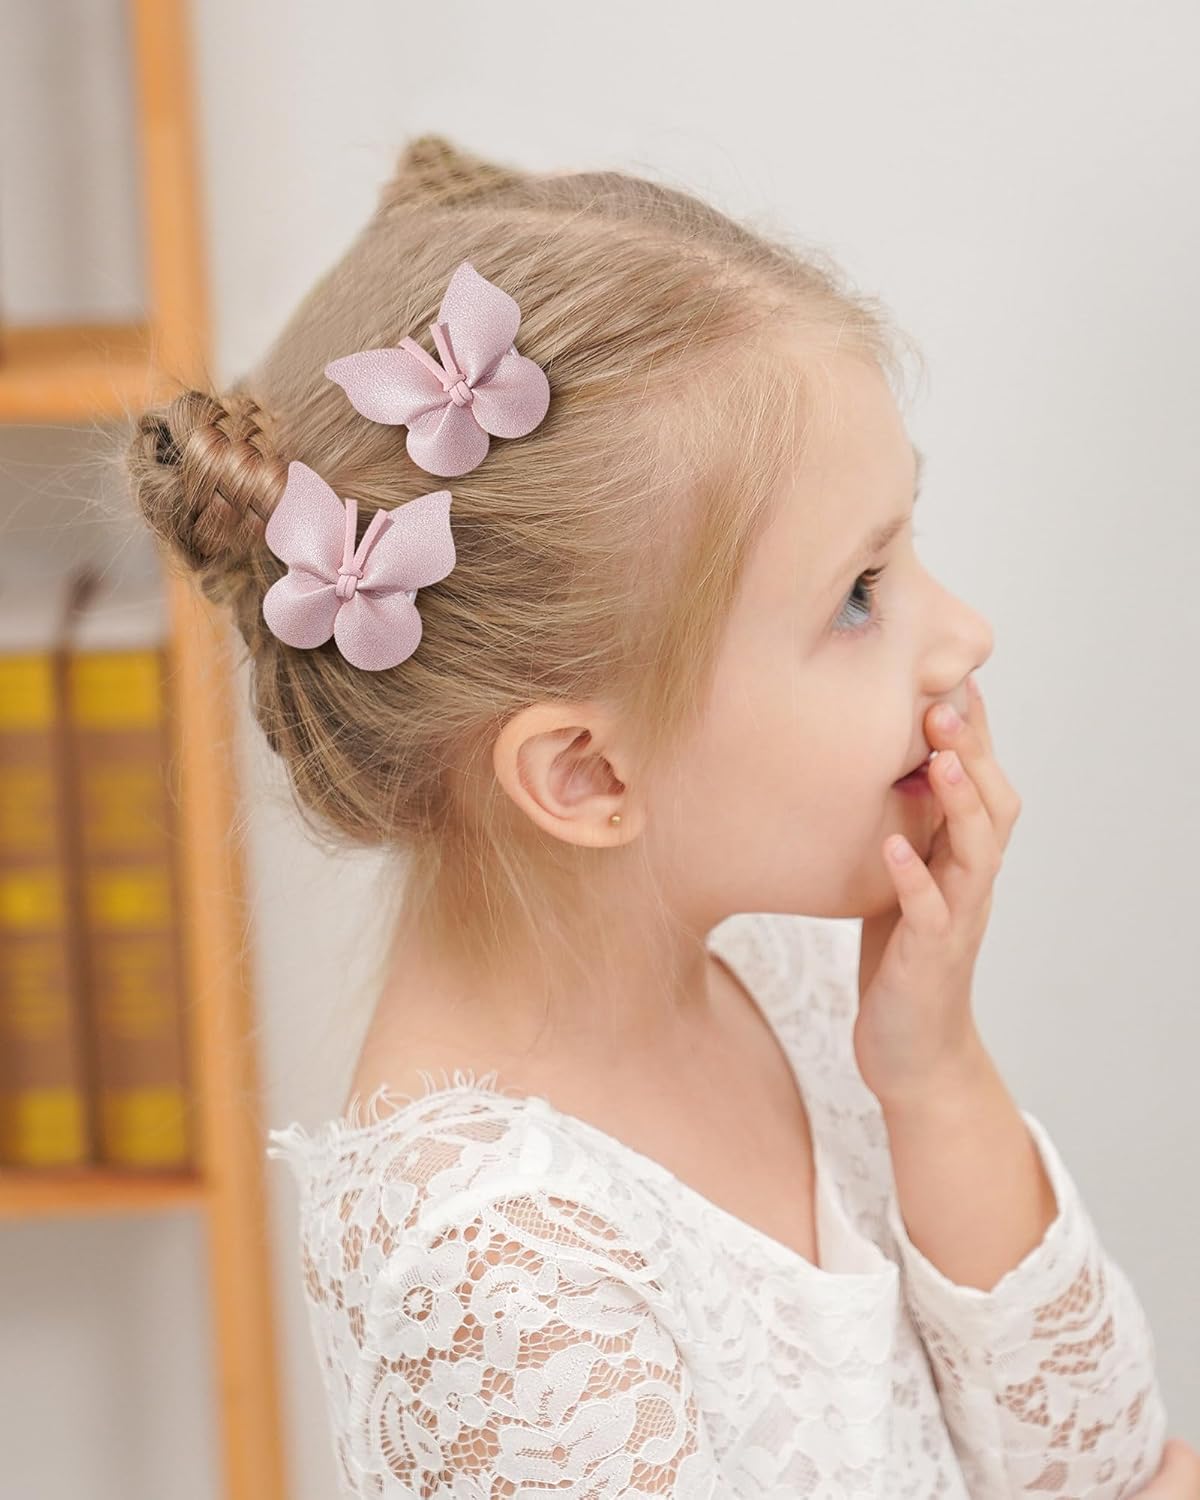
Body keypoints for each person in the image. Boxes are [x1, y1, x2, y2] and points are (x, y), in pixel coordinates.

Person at [123, 133, 1189, 1497]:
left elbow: (1102, 1459)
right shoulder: (494, 1276)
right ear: (586, 777)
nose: (965, 635)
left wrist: (933, 1073)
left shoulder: (784, 984)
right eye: (860, 595)